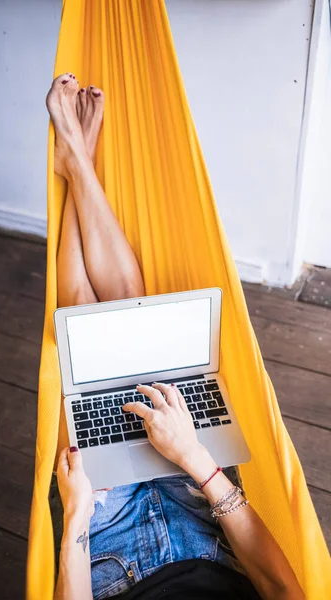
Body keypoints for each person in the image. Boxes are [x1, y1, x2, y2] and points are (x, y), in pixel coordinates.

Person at [46, 72, 305, 600]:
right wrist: (196, 459)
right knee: (131, 332)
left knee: (89, 336)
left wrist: (75, 517)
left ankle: (77, 163)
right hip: (202, 505)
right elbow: (281, 586)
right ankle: (76, 162)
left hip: (107, 544)